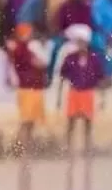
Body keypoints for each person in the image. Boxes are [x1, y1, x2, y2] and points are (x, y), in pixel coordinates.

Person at [58, 24, 106, 156]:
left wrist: (102, 98)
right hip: (74, 92)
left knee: (87, 122)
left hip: (88, 92)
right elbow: (63, 77)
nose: (81, 45)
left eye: (83, 42)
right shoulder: (70, 58)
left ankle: (87, 148)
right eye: (79, 43)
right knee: (71, 121)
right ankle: (67, 147)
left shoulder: (94, 59)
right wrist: (58, 97)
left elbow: (100, 78)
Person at [6, 23, 50, 154]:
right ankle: (20, 147)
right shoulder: (21, 49)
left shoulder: (28, 48)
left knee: (31, 121)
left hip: (35, 87)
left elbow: (42, 63)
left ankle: (24, 146)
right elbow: (39, 63)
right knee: (26, 121)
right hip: (27, 88)